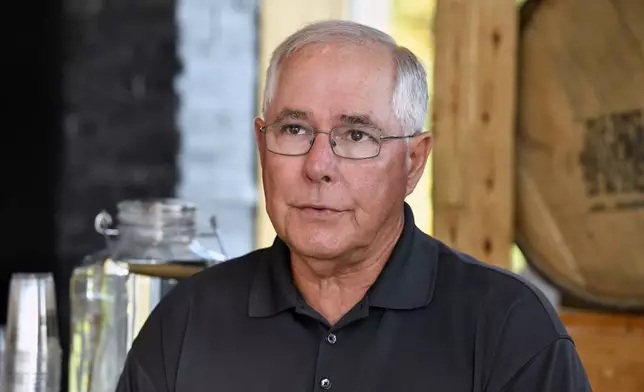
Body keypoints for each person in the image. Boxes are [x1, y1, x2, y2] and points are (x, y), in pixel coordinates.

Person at [116, 20, 591, 391]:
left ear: (413, 162)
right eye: (295, 130)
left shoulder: (508, 329)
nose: (318, 165)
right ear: (262, 146)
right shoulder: (187, 322)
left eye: (356, 135)